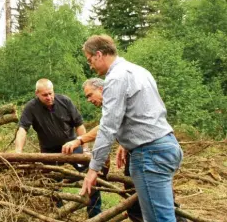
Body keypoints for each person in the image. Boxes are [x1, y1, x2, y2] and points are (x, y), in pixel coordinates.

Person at [78, 35, 183, 222]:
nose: (90, 66)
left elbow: (108, 127)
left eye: (89, 60)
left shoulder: (116, 78)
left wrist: (93, 169)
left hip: (149, 153)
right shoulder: (139, 71)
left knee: (160, 219)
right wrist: (126, 144)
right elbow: (144, 112)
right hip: (167, 145)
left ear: (99, 55)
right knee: (163, 215)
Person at [62, 78, 187, 222]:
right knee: (147, 203)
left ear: (101, 89)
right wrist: (125, 144)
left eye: (90, 95)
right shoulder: (117, 100)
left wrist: (79, 140)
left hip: (148, 153)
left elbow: (105, 129)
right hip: (147, 151)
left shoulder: (116, 99)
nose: (89, 100)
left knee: (152, 205)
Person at [15, 78, 102, 217]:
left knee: (90, 171)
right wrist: (18, 152)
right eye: (45, 95)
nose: (49, 97)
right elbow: (22, 129)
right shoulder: (31, 107)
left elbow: (79, 124)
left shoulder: (65, 101)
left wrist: (85, 148)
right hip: (49, 151)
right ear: (37, 93)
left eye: (51, 93)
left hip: (72, 146)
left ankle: (95, 214)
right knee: (52, 184)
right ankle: (60, 215)